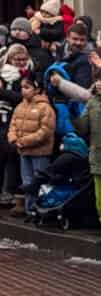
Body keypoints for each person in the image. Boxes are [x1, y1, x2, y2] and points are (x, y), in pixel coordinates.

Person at [0, 42, 28, 217]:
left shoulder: (28, 75)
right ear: (10, 58)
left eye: (24, 59)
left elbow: (23, 97)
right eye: (17, 59)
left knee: (16, 164)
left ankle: (19, 201)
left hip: (18, 123)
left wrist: (2, 92)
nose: (21, 62)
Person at [9, 73, 56, 218]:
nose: (23, 90)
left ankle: (41, 209)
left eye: (27, 87)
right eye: (22, 87)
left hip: (40, 152)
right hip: (24, 151)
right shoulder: (19, 107)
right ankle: (30, 210)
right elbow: (13, 125)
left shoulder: (45, 108)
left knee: (40, 181)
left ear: (37, 89)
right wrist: (13, 138)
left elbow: (45, 131)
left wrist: (25, 141)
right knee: (27, 181)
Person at [71, 68, 101, 226]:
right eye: (98, 80)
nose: (100, 83)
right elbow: (83, 128)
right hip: (97, 154)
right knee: (99, 195)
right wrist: (74, 115)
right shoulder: (92, 102)